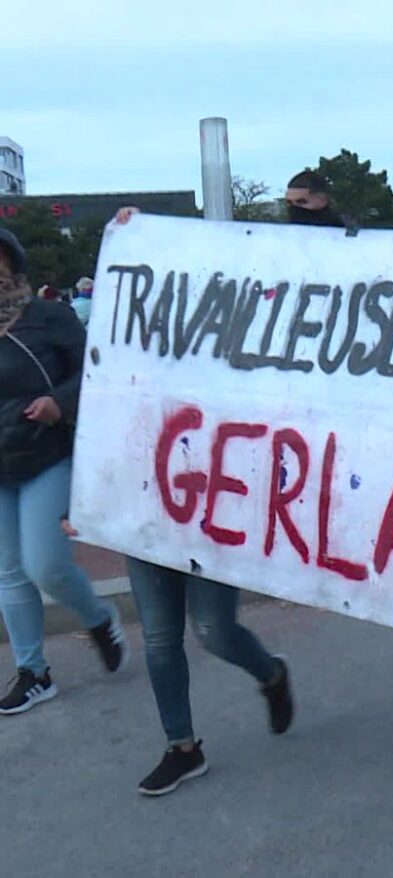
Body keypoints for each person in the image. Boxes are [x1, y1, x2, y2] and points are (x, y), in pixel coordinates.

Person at [96, 208, 294, 796]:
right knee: (160, 638)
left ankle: (271, 673)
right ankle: (181, 746)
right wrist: (134, 234)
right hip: (146, 508)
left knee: (212, 631)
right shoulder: (128, 340)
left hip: (214, 511)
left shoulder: (240, 351)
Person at [0, 228, 127, 716]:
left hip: (44, 455)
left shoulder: (49, 317)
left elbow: (95, 369)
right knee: (10, 573)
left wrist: (59, 402)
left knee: (45, 564)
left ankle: (98, 619)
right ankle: (34, 672)